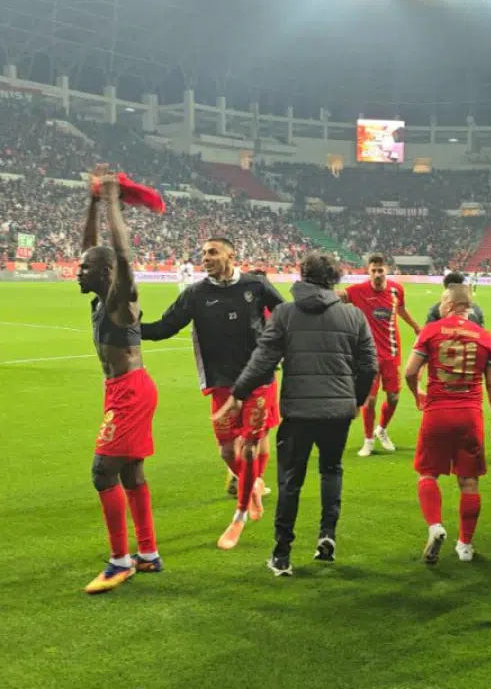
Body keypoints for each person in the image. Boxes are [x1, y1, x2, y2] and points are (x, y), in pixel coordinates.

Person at [219, 251, 378, 577]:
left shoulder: (285, 313)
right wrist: (356, 401)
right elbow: (369, 366)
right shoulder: (353, 316)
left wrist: (238, 393)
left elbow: (263, 359)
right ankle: (327, 535)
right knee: (331, 470)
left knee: (291, 481)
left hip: (299, 413)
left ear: (302, 275)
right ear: (334, 278)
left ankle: (282, 554)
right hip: (337, 412)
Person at [138, 238, 285, 550]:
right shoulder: (195, 293)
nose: (205, 258)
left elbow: (285, 315)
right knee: (227, 451)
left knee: (249, 447)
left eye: (212, 252)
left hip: (257, 379)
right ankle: (253, 484)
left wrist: (283, 349)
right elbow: (165, 327)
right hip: (220, 383)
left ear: (231, 255)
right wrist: (132, 328)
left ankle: (239, 516)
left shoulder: (256, 285)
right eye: (203, 253)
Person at [77, 173, 164, 594]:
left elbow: (122, 255)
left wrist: (112, 200)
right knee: (131, 471)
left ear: (106, 272)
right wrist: (93, 202)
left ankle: (120, 561)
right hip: (124, 388)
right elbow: (94, 250)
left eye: (85, 268)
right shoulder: (102, 294)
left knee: (102, 471)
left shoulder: (122, 300)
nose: (78, 271)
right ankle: (147, 552)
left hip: (130, 391)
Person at [404, 284, 491, 564]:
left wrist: (417, 393)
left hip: (437, 413)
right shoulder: (485, 337)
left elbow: (410, 371)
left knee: (428, 474)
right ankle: (465, 545)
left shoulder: (431, 331)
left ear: (448, 304)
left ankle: (435, 526)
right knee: (469, 481)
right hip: (470, 416)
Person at [342, 253, 421, 457]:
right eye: (373, 270)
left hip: (391, 353)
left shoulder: (397, 290)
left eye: (380, 270)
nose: (377, 274)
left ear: (387, 270)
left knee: (393, 397)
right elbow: (339, 296)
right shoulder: (358, 290)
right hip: (367, 355)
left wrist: (414, 326)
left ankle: (382, 430)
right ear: (368, 272)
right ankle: (368, 440)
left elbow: (400, 309)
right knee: (370, 400)